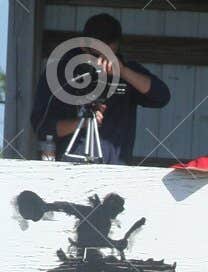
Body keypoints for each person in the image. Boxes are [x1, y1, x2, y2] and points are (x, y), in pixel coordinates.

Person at [31, 12, 170, 165]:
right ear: (84, 46)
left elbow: (161, 96)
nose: (101, 63)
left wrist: (122, 71)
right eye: (97, 54)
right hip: (69, 171)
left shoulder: (125, 72)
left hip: (113, 172)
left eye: (108, 55)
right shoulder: (61, 74)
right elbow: (41, 126)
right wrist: (82, 122)